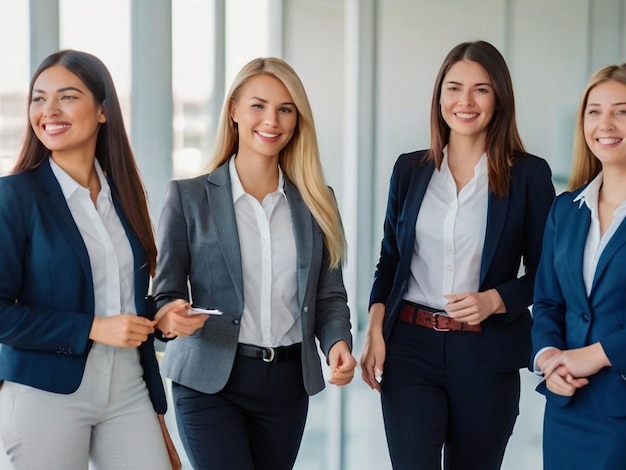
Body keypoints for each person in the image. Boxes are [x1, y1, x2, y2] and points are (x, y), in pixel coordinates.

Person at [151, 56, 357, 470]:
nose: (272, 120)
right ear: (234, 111)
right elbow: (166, 292)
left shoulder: (317, 201)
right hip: (209, 381)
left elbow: (328, 296)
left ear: (298, 120)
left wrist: (338, 344)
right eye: (258, 106)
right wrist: (170, 317)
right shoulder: (189, 198)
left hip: (286, 384)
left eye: (285, 109)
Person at [359, 40, 555, 470]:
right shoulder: (409, 170)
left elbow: (547, 276)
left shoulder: (529, 175)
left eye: (481, 89)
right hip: (410, 347)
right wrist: (374, 330)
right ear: (439, 96)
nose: (465, 101)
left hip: (486, 354)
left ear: (498, 97)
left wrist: (494, 300)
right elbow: (389, 261)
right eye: (454, 88)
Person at [0, 49, 182, 470]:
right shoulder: (16, 197)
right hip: (45, 393)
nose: (49, 111)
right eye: (39, 98)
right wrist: (95, 329)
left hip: (129, 388)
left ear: (103, 111)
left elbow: (119, 299)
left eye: (67, 97)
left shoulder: (124, 197)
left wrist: (163, 316)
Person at [531, 63, 626, 469]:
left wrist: (601, 353)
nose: (605, 123)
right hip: (568, 408)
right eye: (594, 110)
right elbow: (548, 301)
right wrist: (550, 358)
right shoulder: (565, 210)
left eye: (622, 110)